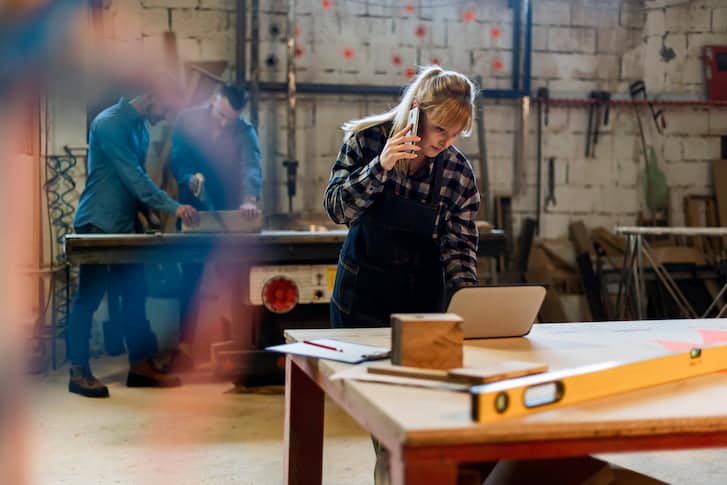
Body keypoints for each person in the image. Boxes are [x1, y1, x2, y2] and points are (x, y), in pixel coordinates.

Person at [324, 65, 481, 329]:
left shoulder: (458, 173)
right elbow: (337, 211)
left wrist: (468, 301)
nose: (446, 142)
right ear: (417, 110)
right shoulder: (367, 141)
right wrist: (380, 166)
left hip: (419, 309)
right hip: (358, 303)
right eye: (440, 129)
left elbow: (459, 249)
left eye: (455, 134)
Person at [67, 92, 200, 398]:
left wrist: (148, 213)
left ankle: (140, 366)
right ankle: (78, 372)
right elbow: (133, 175)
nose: (166, 116)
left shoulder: (139, 127)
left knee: (135, 293)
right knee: (88, 297)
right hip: (98, 223)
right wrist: (172, 206)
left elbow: (133, 186)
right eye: (166, 106)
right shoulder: (109, 124)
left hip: (124, 224)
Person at [169, 83, 262, 364]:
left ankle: (236, 346)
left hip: (231, 213)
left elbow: (251, 164)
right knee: (191, 279)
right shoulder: (187, 121)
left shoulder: (244, 130)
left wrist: (249, 198)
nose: (223, 124)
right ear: (213, 101)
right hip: (194, 211)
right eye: (220, 115)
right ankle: (184, 348)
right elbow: (177, 158)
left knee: (235, 279)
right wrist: (188, 178)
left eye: (229, 119)